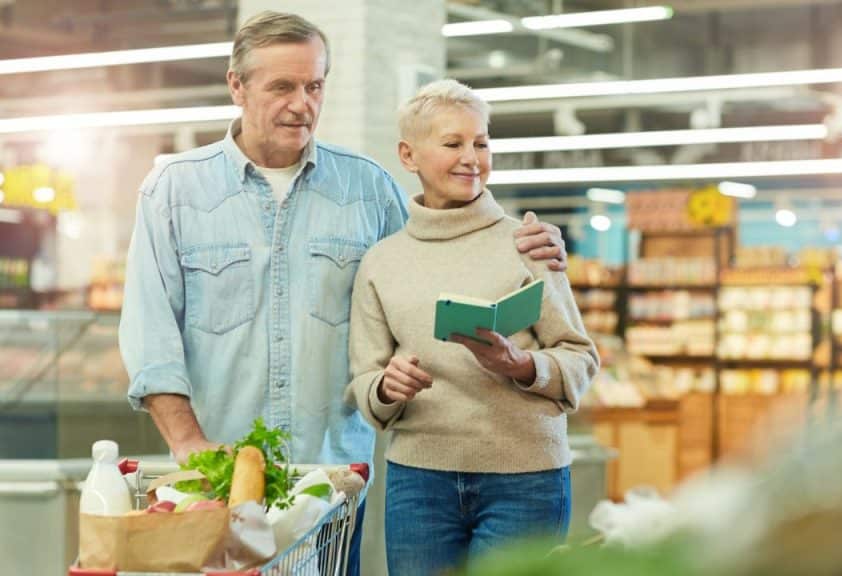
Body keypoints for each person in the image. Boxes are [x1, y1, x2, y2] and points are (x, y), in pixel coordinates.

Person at [118, 12, 567, 575]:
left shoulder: (367, 188)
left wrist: (527, 245)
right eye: (282, 86)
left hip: (329, 488)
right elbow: (149, 330)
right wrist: (190, 445)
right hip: (217, 483)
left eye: (314, 86)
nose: (302, 104)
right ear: (237, 85)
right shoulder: (174, 191)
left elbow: (434, 273)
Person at [346, 79, 599, 575]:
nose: (472, 158)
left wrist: (521, 364)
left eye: (481, 143)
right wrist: (386, 387)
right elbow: (366, 381)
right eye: (453, 143)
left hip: (525, 480)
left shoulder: (528, 244)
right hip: (419, 482)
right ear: (409, 155)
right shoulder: (381, 263)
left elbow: (580, 357)